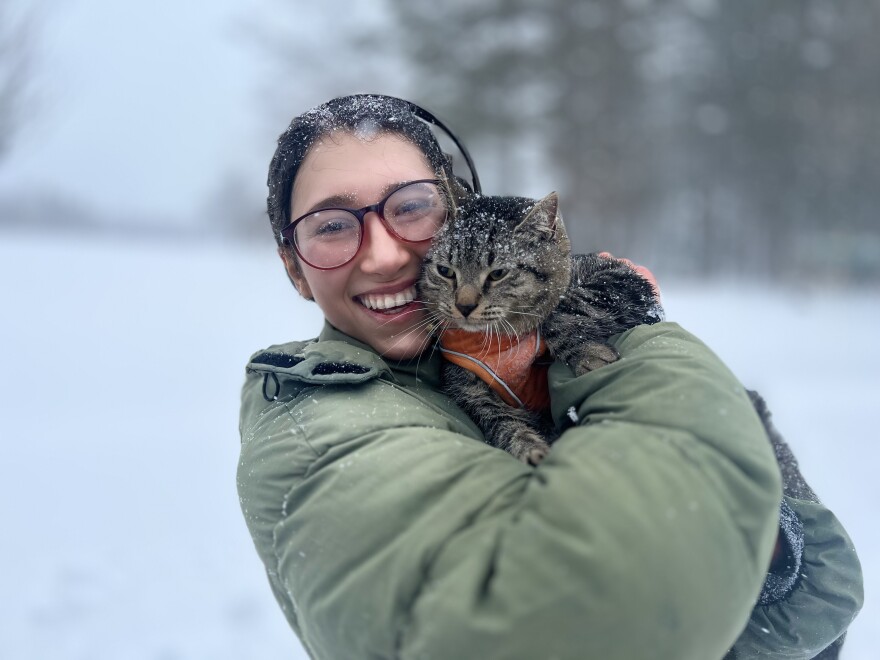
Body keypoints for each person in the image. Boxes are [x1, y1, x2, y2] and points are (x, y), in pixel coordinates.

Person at [237, 94, 862, 659]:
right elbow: (580, 616)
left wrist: (767, 557)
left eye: (411, 207)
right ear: (295, 270)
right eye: (333, 226)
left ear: (460, 212)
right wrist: (646, 342)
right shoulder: (317, 432)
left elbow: (825, 591)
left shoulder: (513, 334)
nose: (385, 253)